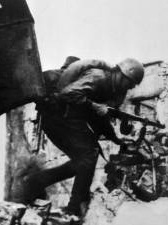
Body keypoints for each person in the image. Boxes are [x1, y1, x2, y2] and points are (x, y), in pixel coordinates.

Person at [23, 58, 145, 215]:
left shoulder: (113, 90)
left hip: (68, 120)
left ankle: (38, 182)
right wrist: (94, 106)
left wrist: (116, 139)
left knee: (84, 160)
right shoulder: (99, 77)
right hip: (56, 118)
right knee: (88, 156)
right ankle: (74, 210)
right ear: (122, 75)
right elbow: (68, 93)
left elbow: (100, 119)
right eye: (130, 82)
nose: (130, 87)